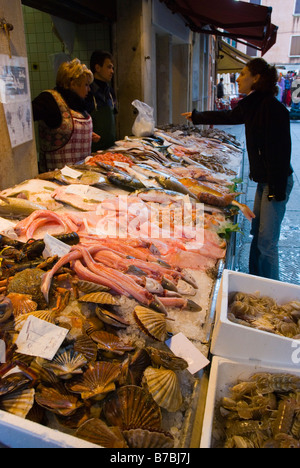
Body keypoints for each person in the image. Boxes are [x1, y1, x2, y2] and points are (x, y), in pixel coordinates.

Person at [183, 58, 294, 281]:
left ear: (257, 78)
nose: (239, 77)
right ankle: (254, 280)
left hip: (276, 181)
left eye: (243, 74)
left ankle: (271, 288)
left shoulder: (273, 108)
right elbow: (229, 117)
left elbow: (282, 153)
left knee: (267, 242)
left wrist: (275, 191)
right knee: (257, 234)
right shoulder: (252, 104)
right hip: (265, 182)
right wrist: (197, 116)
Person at [32, 58, 100, 172]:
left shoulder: (79, 104)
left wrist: (87, 134)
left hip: (82, 178)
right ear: (73, 84)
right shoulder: (49, 100)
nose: (89, 89)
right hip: (56, 181)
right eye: (86, 85)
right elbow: (23, 120)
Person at [85, 50, 117, 152]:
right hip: (93, 151)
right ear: (97, 68)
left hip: (110, 148)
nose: (112, 71)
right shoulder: (87, 92)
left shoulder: (110, 92)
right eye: (109, 67)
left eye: (112, 68)